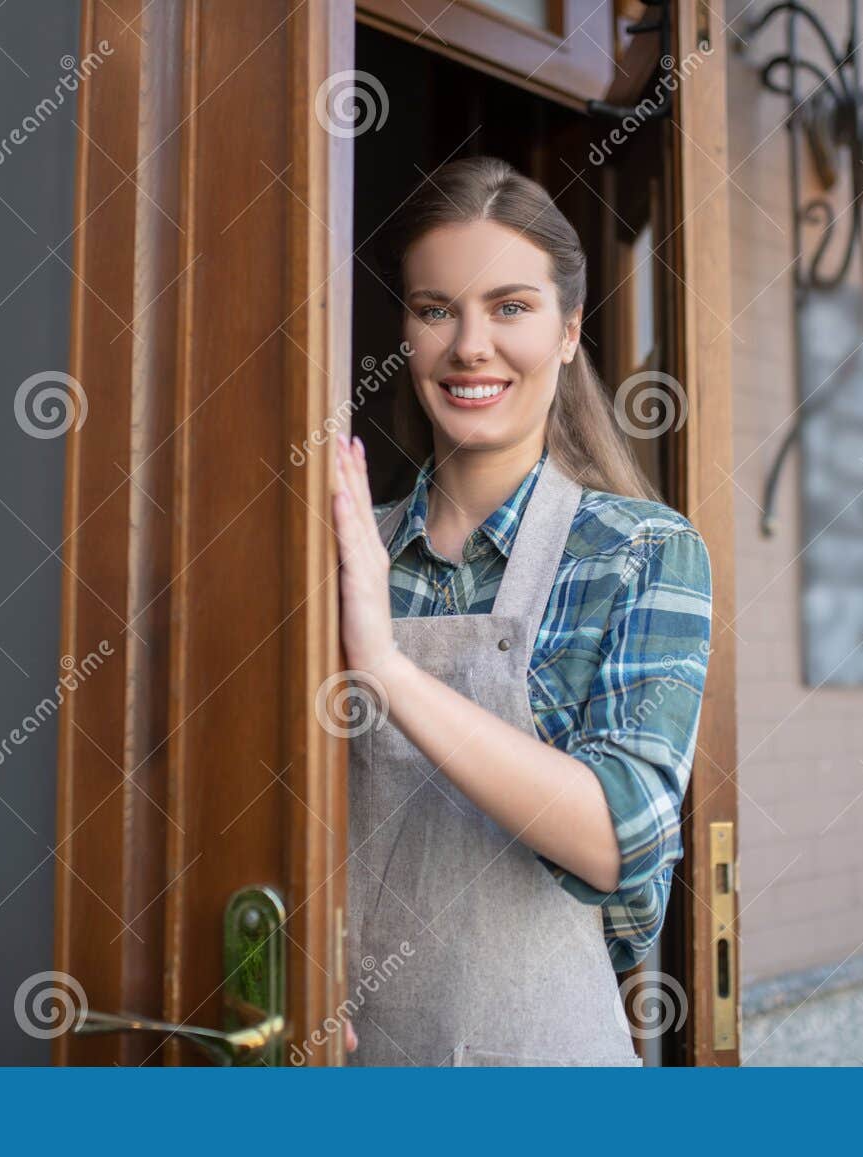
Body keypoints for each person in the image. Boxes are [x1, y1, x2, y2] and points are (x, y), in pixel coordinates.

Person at [327, 155, 712, 1066]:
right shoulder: (346, 551)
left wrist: (384, 667)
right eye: (435, 310)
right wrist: (301, 964)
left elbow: (622, 833)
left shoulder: (642, 553)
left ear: (570, 331)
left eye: (510, 307)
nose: (470, 346)